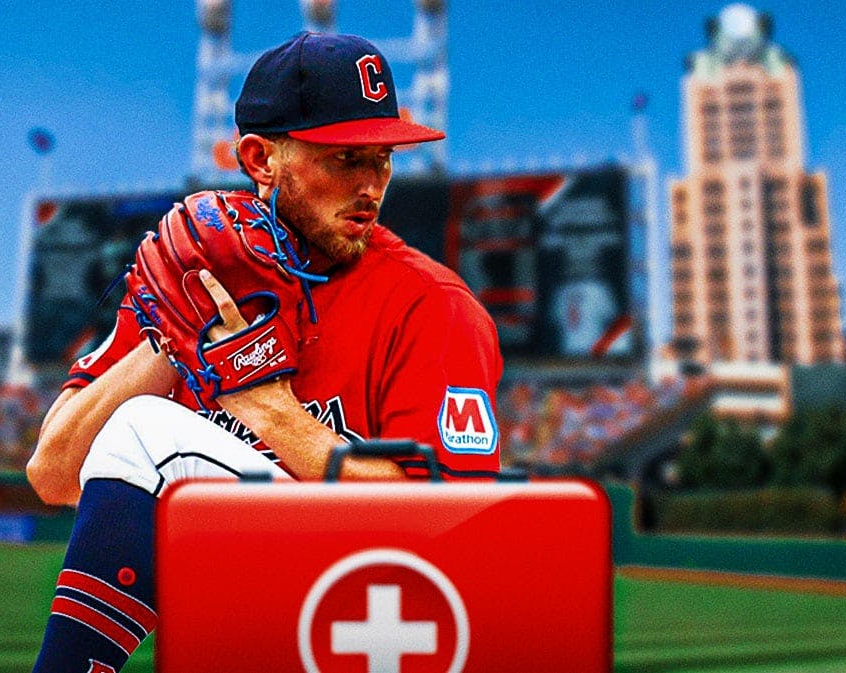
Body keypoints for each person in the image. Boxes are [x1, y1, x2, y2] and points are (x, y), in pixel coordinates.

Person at [26, 32, 503, 673]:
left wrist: (270, 411)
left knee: (147, 433)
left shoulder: (433, 305)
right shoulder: (190, 275)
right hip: (246, 618)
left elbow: (456, 529)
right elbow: (52, 474)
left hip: (383, 615)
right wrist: (172, 343)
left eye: (382, 159)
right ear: (260, 157)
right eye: (344, 159)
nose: (370, 185)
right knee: (140, 427)